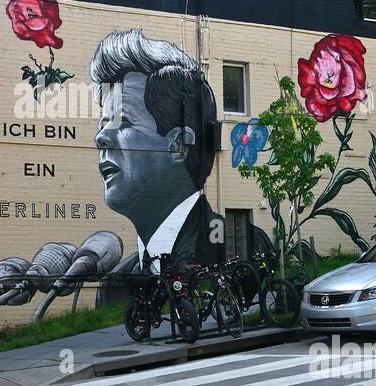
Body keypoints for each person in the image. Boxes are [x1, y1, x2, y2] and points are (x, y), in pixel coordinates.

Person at [89, 29, 274, 305]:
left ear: (177, 146)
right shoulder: (117, 281)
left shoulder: (236, 247)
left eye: (122, 122)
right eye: (103, 125)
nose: (100, 137)